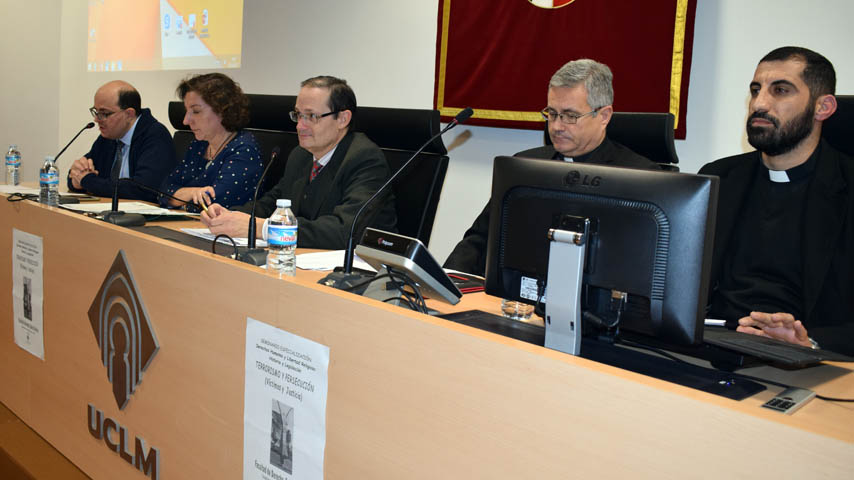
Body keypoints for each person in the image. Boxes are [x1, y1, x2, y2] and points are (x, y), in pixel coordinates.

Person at [699, 46, 854, 355]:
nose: (759, 103)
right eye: (755, 90)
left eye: (780, 90)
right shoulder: (718, 177)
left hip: (811, 359)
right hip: (713, 344)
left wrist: (809, 342)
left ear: (823, 107)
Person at [444, 59, 658, 276]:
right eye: (552, 114)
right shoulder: (524, 166)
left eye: (570, 116)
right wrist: (447, 285)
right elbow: (480, 239)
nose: (556, 126)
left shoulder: (641, 178)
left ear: (603, 116)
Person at [200, 75, 397, 249]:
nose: (300, 126)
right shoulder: (300, 155)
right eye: (298, 115)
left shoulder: (365, 159)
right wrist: (229, 215)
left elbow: (346, 230)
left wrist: (262, 228)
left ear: (343, 119)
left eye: (311, 116)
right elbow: (272, 205)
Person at [161, 73, 263, 212]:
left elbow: (210, 205)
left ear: (222, 110)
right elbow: (164, 191)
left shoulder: (244, 150)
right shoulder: (199, 145)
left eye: (196, 111)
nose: (185, 120)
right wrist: (193, 193)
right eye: (186, 111)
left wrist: (181, 200)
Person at [67, 81, 176, 202]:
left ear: (129, 114)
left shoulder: (155, 136)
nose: (97, 119)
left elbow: (143, 190)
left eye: (104, 113)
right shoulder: (109, 136)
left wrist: (87, 181)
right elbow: (79, 175)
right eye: (96, 112)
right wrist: (76, 180)